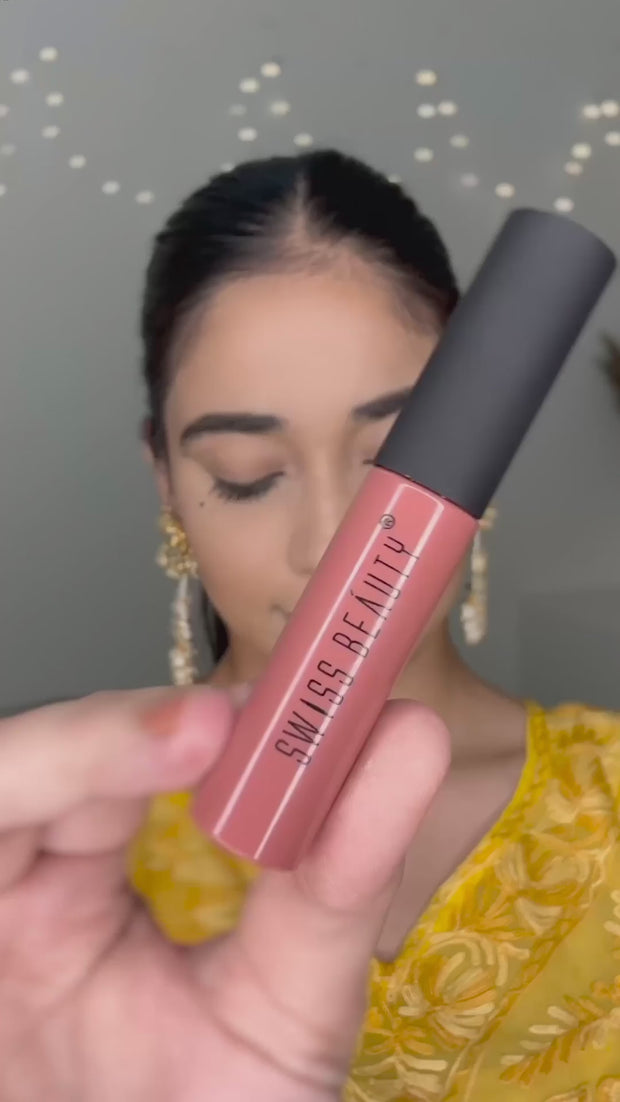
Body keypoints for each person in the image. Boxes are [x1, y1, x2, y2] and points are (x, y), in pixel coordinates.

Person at [1, 151, 619, 1102]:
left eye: (399, 457)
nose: (334, 545)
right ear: (166, 480)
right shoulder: (48, 864)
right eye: (248, 475)